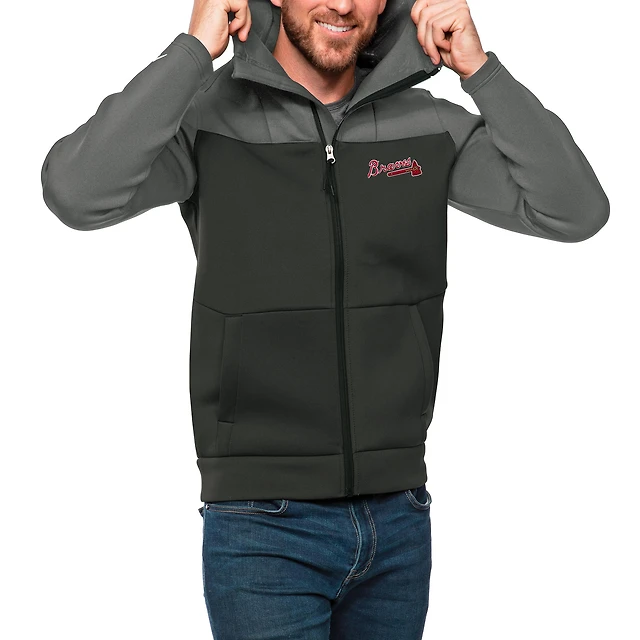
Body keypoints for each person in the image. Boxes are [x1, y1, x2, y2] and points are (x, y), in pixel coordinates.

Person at [40, 0, 609, 637]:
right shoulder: (207, 122)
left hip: (398, 518)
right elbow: (77, 192)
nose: (342, 4)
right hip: (261, 523)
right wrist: (193, 53)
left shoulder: (426, 127)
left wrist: (482, 72)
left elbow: (575, 211)